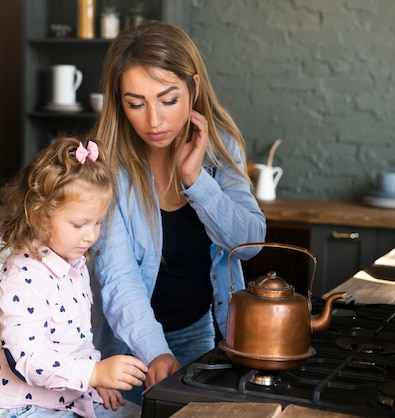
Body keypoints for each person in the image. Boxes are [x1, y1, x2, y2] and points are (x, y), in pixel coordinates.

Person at [89, 20, 267, 403]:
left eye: (168, 100)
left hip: (198, 330)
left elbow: (249, 244)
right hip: (126, 342)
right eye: (136, 103)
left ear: (194, 88)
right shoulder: (106, 166)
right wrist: (155, 350)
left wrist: (196, 181)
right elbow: (118, 276)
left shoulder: (220, 149)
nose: (154, 121)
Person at [0, 137, 148, 418]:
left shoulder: (74, 265)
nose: (91, 235)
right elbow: (29, 360)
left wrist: (94, 382)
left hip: (66, 401)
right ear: (38, 217)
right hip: (17, 410)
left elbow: (76, 340)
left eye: (98, 222)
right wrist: (93, 373)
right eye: (79, 224)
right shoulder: (21, 279)